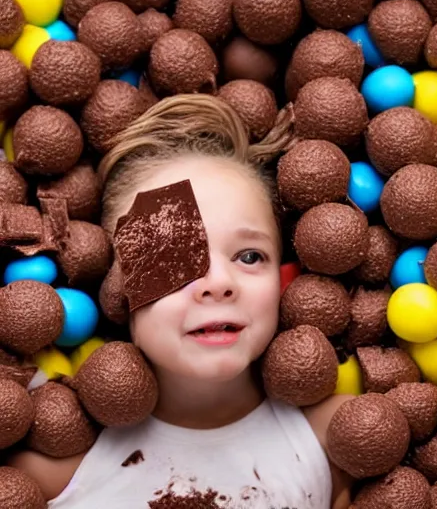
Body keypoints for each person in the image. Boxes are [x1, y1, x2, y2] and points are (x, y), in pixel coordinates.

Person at [8, 94, 355, 508]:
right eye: (173, 259)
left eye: (249, 257)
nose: (219, 283)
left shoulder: (337, 440)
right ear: (118, 291)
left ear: (283, 279)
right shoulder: (56, 473)